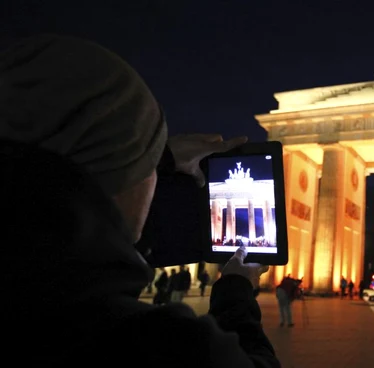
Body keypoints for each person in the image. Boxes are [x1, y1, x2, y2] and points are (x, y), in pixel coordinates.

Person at [2, 35, 278, 366]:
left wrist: (158, 156)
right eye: (148, 166)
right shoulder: (161, 345)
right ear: (128, 175)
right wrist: (235, 293)